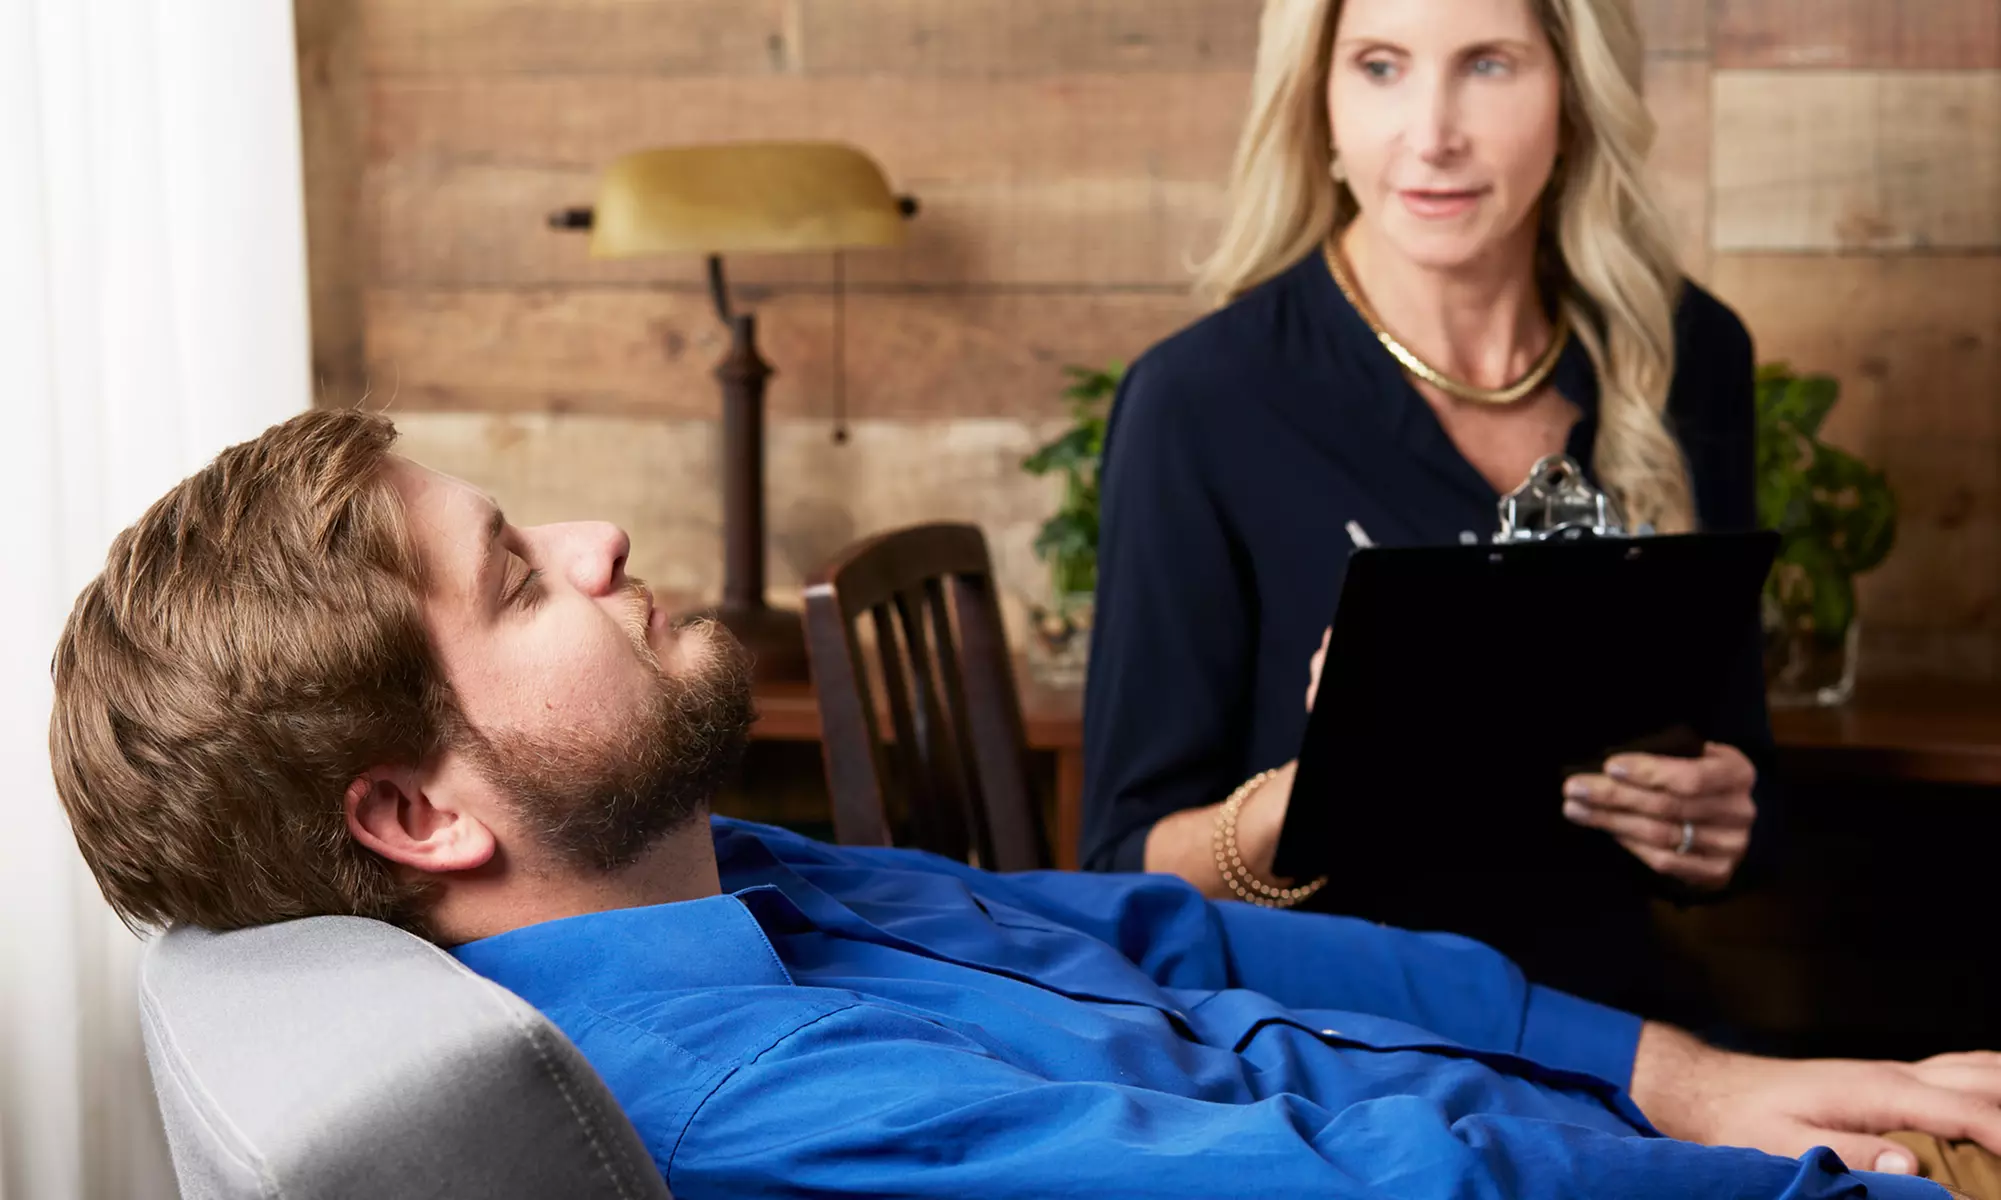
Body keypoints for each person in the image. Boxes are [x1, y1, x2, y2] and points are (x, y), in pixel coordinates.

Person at [48, 409, 2001, 1199]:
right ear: (419, 818)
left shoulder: (709, 883)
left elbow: (1165, 932)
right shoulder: (742, 1101)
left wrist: (1689, 1077)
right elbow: (1385, 1193)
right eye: (515, 580)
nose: (598, 536)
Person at [1080, 0, 1773, 1018]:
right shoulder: (1200, 399)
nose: (1432, 134)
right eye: (1379, 66)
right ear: (1319, 102)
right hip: (1328, 1040)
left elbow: (1743, 778)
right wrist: (1322, 783)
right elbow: (1119, 872)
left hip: (1612, 1026)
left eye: (1488, 65)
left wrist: (1712, 828)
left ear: (1575, 96)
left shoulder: (1690, 352)